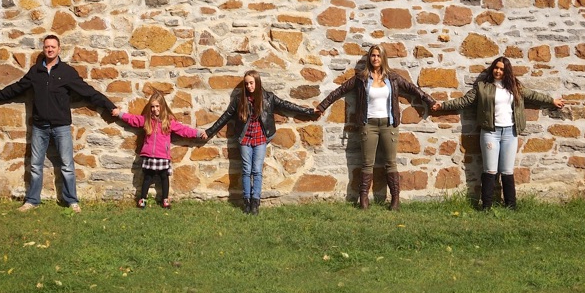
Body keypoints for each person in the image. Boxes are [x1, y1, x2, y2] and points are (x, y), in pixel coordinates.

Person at [0, 34, 117, 213]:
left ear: (59, 49)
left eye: (53, 47)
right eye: (47, 47)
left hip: (61, 126)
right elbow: (16, 88)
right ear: (44, 49)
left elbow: (88, 92)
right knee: (36, 165)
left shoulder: (67, 72)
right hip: (40, 126)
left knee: (67, 165)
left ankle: (71, 201)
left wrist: (109, 106)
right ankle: (32, 201)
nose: (50, 49)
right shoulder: (35, 72)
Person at [432, 56, 565, 210]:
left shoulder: (515, 87)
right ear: (492, 69)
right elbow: (464, 101)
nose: (498, 71)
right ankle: (486, 206)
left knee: (507, 170)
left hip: (510, 132)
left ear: (506, 71)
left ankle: (511, 206)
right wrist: (442, 105)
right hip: (490, 133)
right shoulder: (482, 87)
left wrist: (551, 101)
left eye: (502, 69)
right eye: (496, 67)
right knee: (490, 170)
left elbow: (533, 95)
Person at [315, 44, 435, 211]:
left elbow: (412, 89)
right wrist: (321, 106)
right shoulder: (361, 78)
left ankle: (395, 200)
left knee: (390, 163)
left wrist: (430, 101)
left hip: (389, 124)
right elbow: (339, 91)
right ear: (369, 58)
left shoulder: (393, 78)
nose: (375, 58)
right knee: (367, 163)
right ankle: (363, 201)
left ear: (383, 58)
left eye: (378, 56)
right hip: (368, 124)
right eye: (373, 55)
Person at [204, 70, 317, 215]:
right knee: (246, 170)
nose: (249, 86)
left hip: (260, 138)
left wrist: (309, 112)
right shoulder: (240, 99)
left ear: (257, 82)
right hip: (245, 139)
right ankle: (247, 201)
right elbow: (225, 116)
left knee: (256, 170)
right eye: (246, 84)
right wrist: (209, 131)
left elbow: (286, 105)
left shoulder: (268, 97)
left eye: (251, 83)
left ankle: (255, 203)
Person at [113, 91, 205, 209]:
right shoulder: (146, 120)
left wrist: (198, 133)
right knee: (147, 178)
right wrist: (119, 114)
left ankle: (165, 200)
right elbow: (133, 119)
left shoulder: (168, 122)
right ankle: (143, 199)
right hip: (149, 155)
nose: (155, 109)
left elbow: (183, 130)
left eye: (157, 106)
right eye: (152, 106)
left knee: (164, 177)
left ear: (162, 106)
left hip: (162, 155)